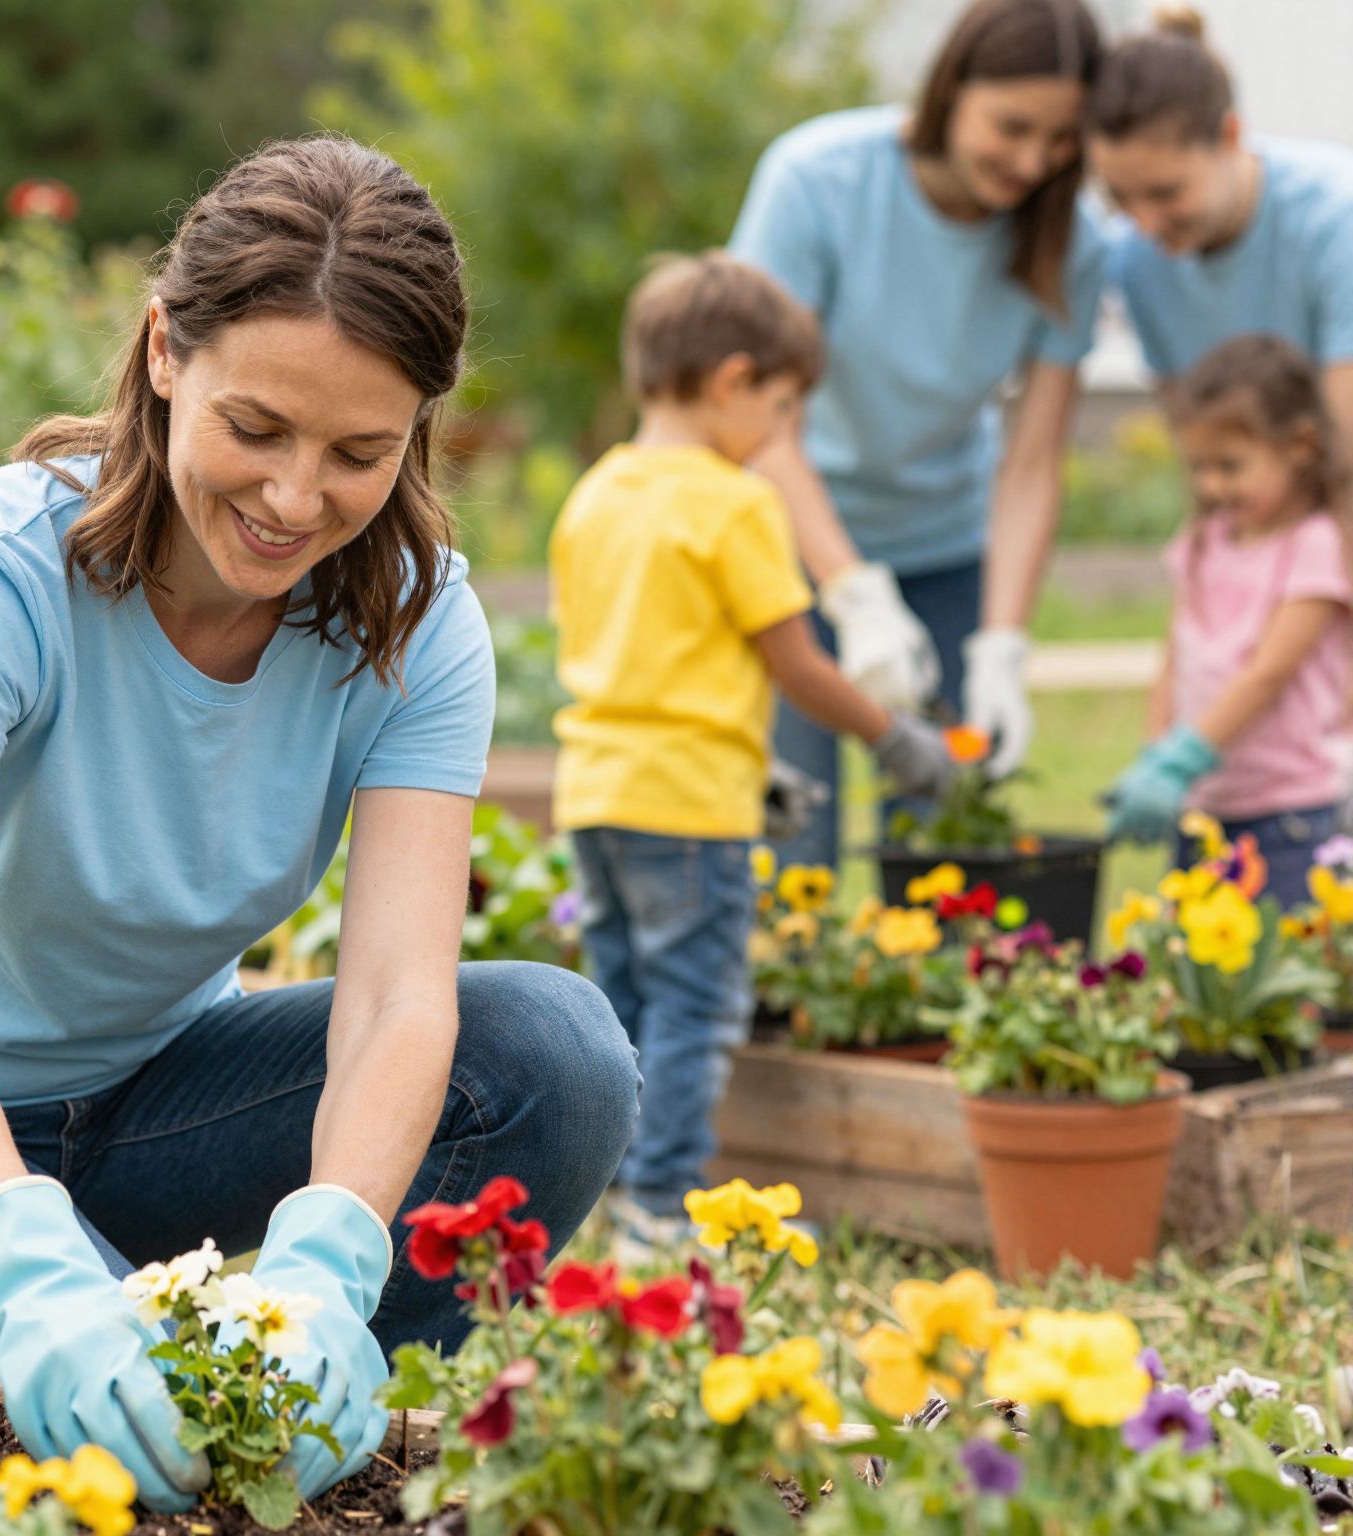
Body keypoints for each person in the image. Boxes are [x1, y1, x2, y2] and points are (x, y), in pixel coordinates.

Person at [0, 137, 639, 1512]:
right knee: (91, 1446)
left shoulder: (419, 625)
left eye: (359, 453)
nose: (293, 499)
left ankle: (331, 1454)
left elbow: (397, 1000)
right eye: (255, 429)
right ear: (163, 351)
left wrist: (329, 1262)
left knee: (552, 1058)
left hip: (147, 1099)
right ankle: (158, 1422)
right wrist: (32, 1273)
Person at [550, 253, 953, 1252]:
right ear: (732, 383)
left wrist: (756, 767)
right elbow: (797, 665)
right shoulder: (733, 504)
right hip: (689, 811)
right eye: (779, 411)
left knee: (623, 1005)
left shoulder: (594, 493)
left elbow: (643, 660)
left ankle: (609, 1191)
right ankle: (659, 1205)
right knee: (694, 1008)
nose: (779, 437)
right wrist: (894, 739)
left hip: (596, 791)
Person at [729, 0, 1108, 867]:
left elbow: (1032, 462)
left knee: (943, 842)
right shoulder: (818, 180)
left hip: (947, 551)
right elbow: (759, 421)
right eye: (1011, 127)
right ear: (951, 91)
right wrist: (853, 594)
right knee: (795, 845)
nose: (1031, 162)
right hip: (789, 548)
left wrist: (1002, 644)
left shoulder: (1070, 244)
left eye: (1060, 141)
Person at [1105, 335, 1351, 904]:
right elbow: (1174, 656)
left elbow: (1269, 674)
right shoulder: (1203, 541)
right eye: (1198, 466)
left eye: (1229, 466)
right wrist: (1156, 756)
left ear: (1301, 446)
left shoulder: (1314, 547)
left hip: (1286, 817)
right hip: (1203, 810)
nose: (1211, 485)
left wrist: (1186, 756)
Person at [1088, 7, 1353, 442]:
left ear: (1229, 137)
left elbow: (1346, 454)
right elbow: (1203, 448)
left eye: (1165, 193)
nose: (1144, 224)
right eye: (1118, 197)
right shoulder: (1135, 262)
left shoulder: (1336, 220)